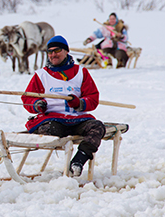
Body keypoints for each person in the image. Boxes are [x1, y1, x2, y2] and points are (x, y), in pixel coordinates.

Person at [22, 35, 106, 177]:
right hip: (54, 120)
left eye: (57, 50)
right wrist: (38, 105)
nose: (53, 54)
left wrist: (79, 103)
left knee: (98, 127)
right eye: (50, 52)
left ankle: (78, 161)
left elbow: (93, 98)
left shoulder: (81, 72)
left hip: (78, 119)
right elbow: (27, 98)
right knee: (47, 130)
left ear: (66, 51)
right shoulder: (41, 75)